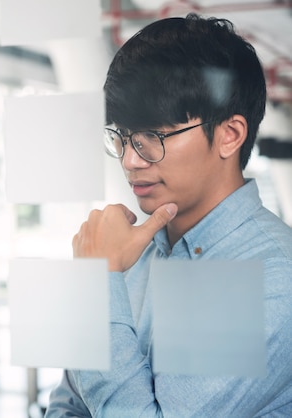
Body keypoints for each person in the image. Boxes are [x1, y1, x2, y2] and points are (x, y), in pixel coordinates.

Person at [45, 14, 292, 417]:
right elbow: (67, 404)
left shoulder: (270, 273)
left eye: (151, 138)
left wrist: (97, 280)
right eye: (122, 137)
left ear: (229, 135)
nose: (129, 159)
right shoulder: (130, 255)